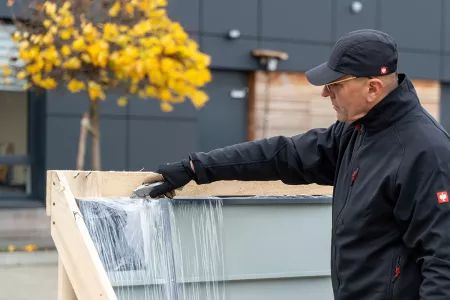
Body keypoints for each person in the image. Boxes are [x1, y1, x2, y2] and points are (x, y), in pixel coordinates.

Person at [141, 29, 450, 300]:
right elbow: (283, 155)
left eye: (335, 84)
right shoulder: (356, 132)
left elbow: (443, 263)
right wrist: (196, 168)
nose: (324, 92)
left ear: (373, 88)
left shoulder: (425, 153)